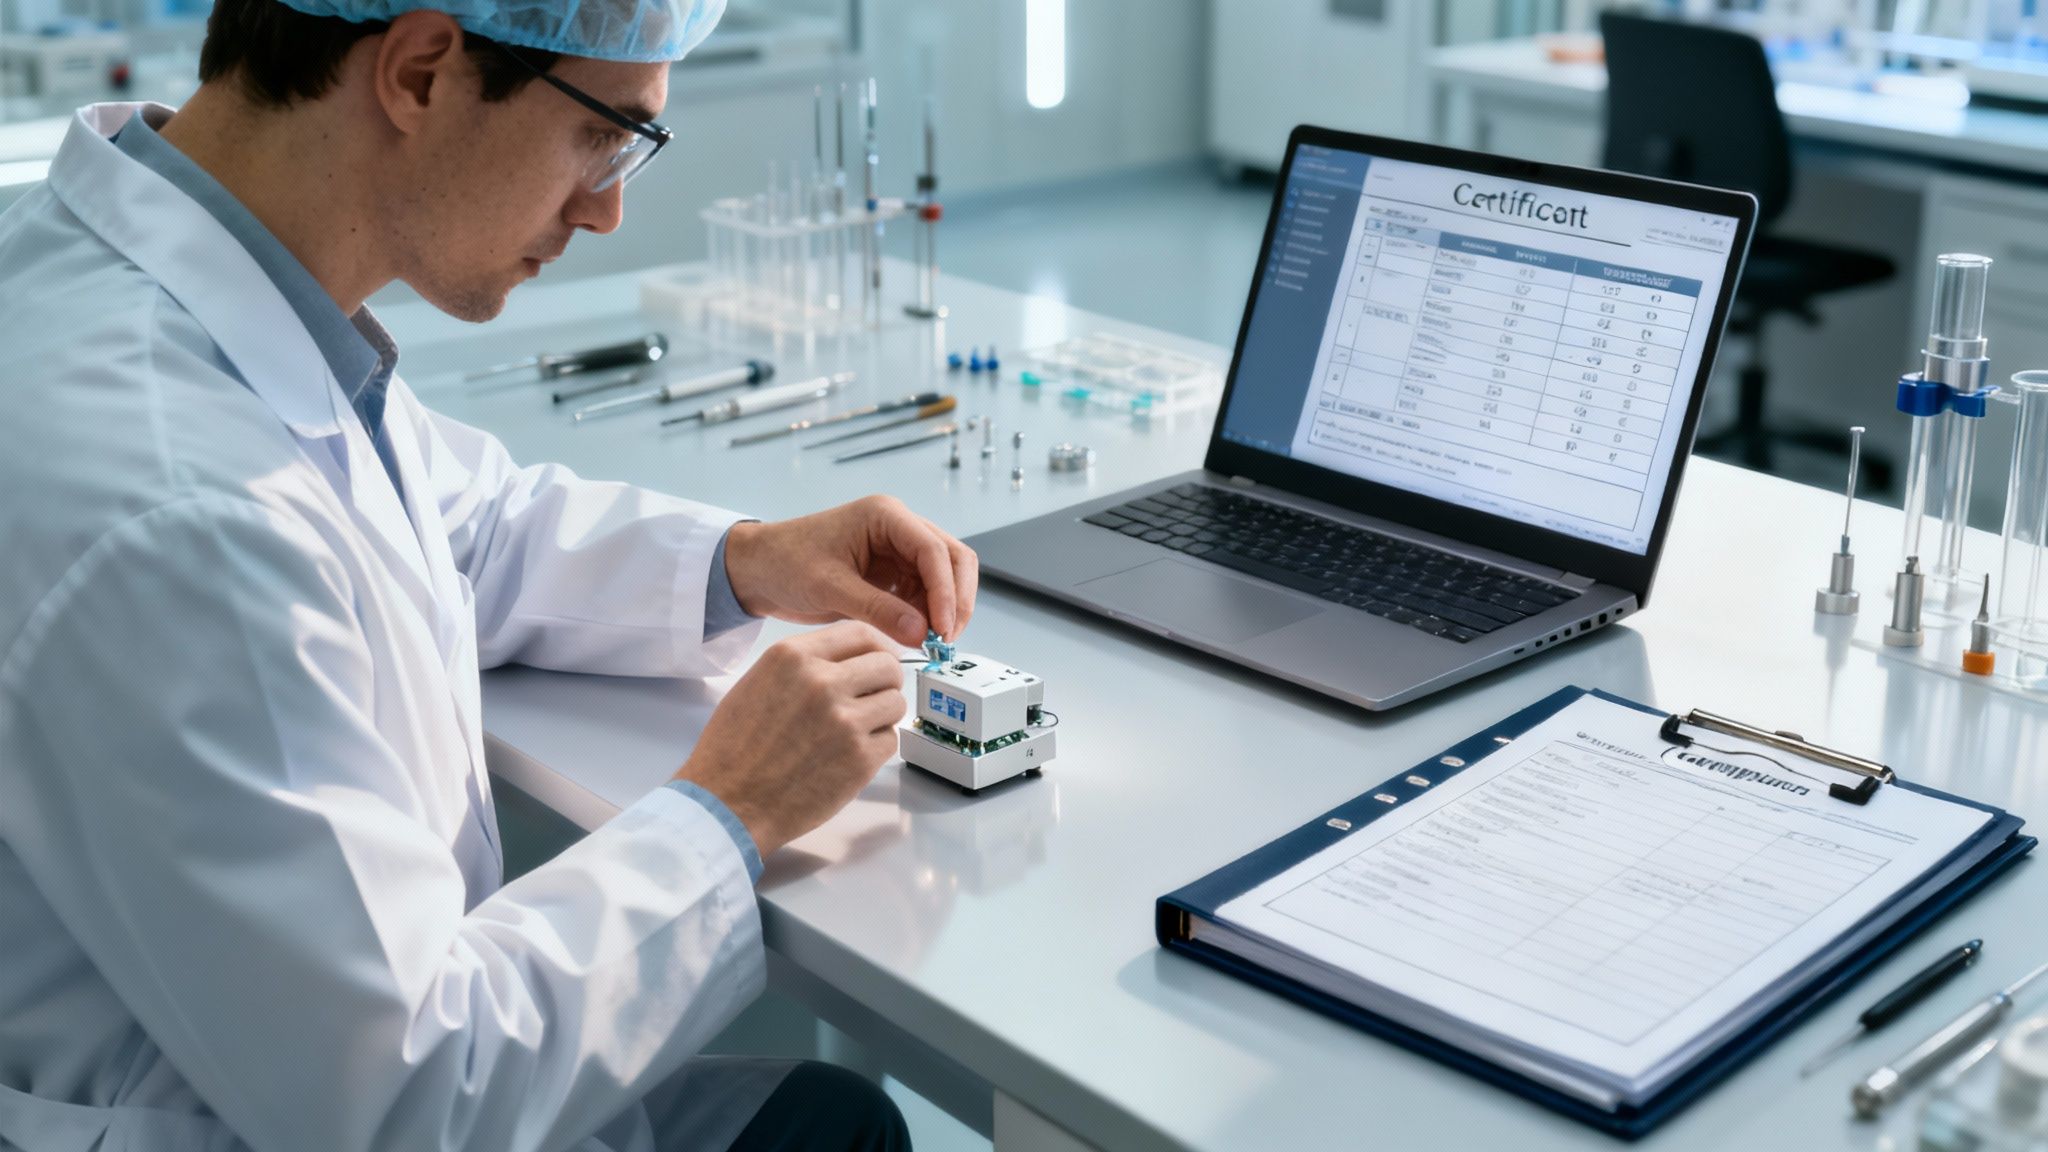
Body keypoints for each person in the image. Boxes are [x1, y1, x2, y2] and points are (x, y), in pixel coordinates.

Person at [0, 0, 975, 1147]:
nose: (607, 207)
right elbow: (417, 1092)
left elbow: (462, 525)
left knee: (829, 1117)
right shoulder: (180, 506)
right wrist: (732, 810)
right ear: (419, 71)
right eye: (606, 134)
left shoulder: (165, 288)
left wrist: (742, 562)